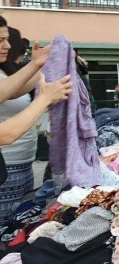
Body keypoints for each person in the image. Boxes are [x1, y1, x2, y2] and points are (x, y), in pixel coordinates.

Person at [0, 24, 72, 223]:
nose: (7, 46)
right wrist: (45, 98)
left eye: (6, 39)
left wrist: (37, 64)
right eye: (0, 40)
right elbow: (4, 135)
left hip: (16, 165)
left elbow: (9, 91)